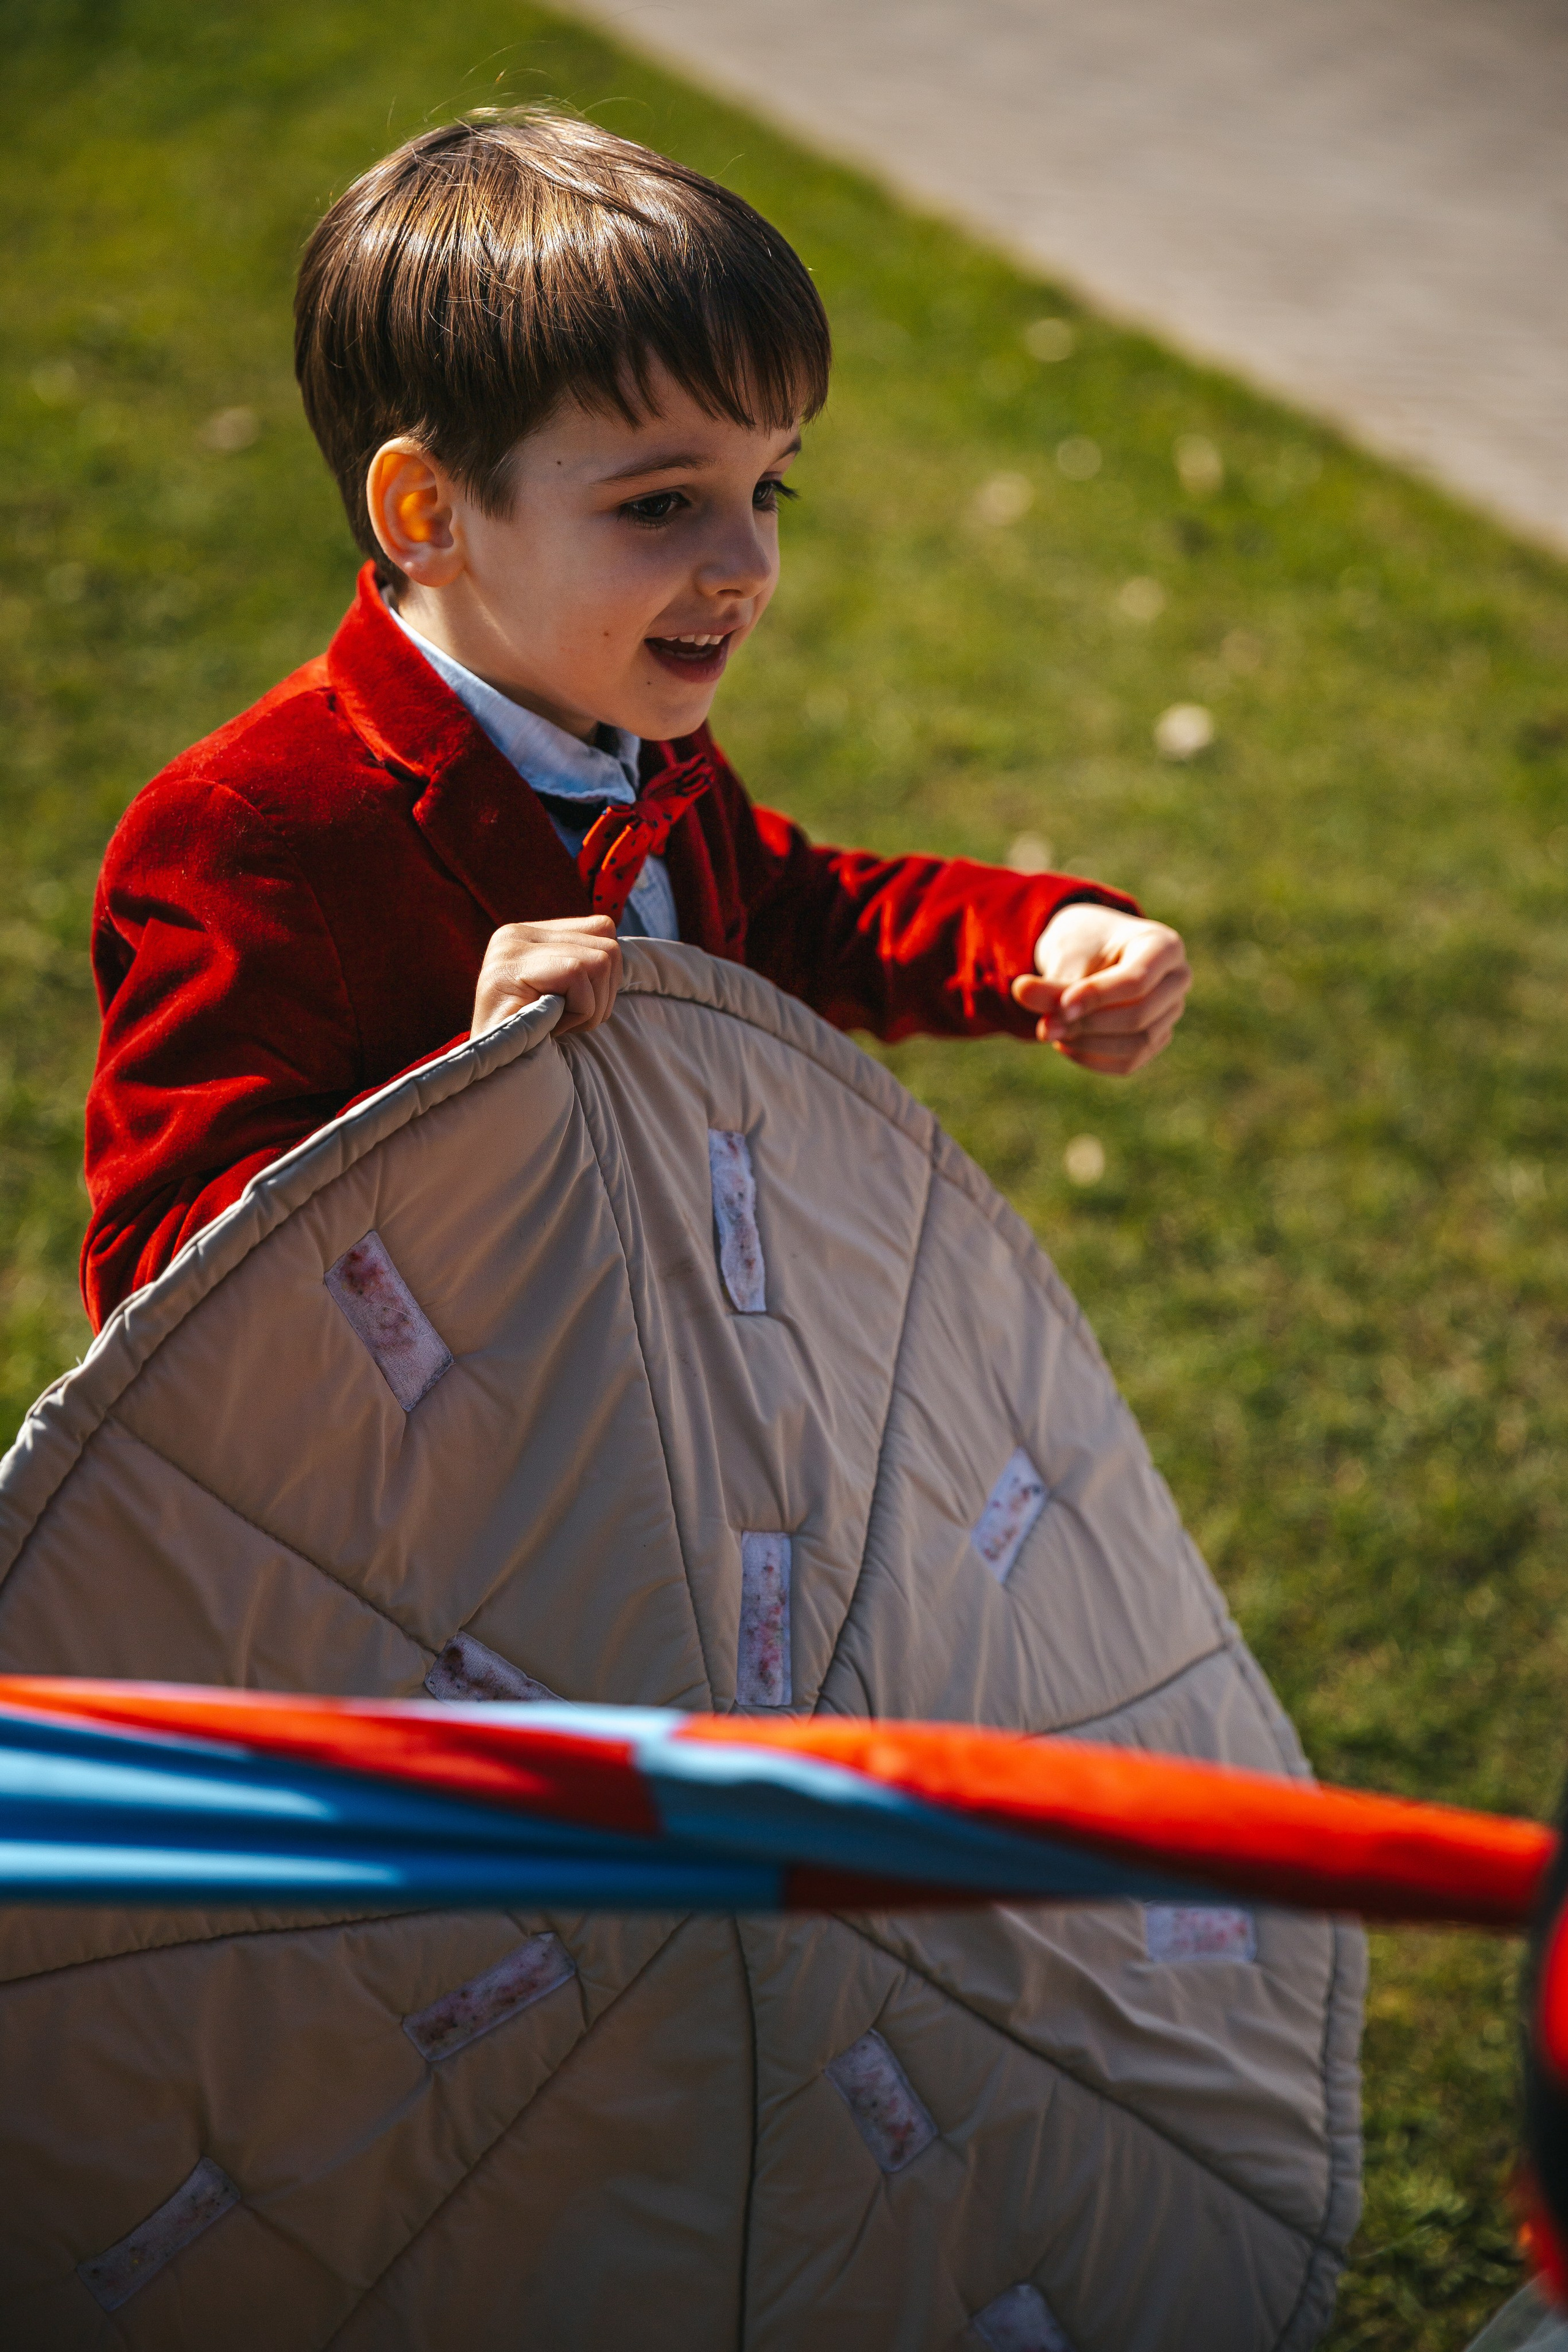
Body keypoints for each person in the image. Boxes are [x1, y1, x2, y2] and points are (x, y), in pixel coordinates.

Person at [79, 109, 1191, 1332]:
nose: (747, 564)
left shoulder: (623, 730)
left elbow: (785, 914)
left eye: (766, 486)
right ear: (428, 514)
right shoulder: (254, 831)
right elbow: (157, 1282)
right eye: (662, 504)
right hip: (459, 1491)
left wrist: (1040, 936)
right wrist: (463, 1102)